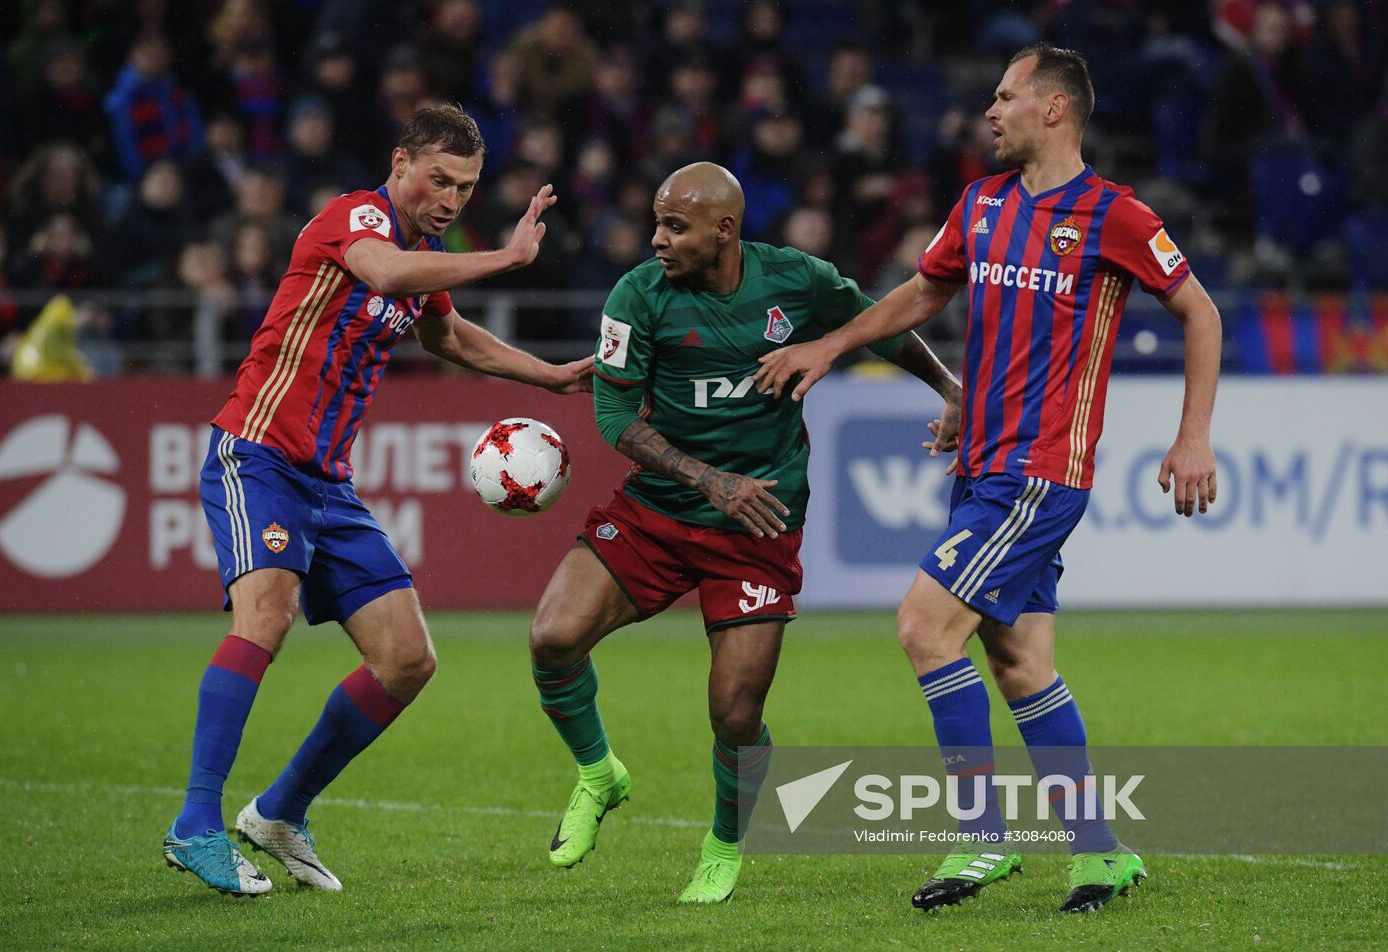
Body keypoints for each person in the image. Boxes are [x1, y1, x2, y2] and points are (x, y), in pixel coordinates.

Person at [756, 43, 1221, 915]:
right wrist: (836, 346)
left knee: (924, 629)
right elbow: (922, 295)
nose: (990, 112)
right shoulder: (982, 203)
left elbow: (1201, 309)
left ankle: (981, 836)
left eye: (1006, 97)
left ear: (1055, 109)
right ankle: (1102, 853)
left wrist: (1192, 436)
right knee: (1019, 663)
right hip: (982, 467)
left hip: (1040, 476)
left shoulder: (1114, 214)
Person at [164, 103, 593, 897]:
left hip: (329, 483)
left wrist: (553, 375)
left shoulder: (426, 254)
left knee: (407, 659)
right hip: (259, 456)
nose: (450, 198)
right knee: (264, 617)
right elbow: (388, 273)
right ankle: (196, 824)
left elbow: (452, 337)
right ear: (400, 165)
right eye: (439, 179)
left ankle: (279, 812)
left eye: (465, 187)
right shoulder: (357, 218)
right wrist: (505, 257)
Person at [527, 162, 962, 904]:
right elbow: (612, 416)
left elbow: (877, 324)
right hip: (661, 509)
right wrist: (708, 480)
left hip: (759, 521)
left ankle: (724, 843)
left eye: (676, 226)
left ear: (725, 230)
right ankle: (599, 774)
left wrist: (951, 389)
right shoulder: (637, 296)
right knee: (552, 637)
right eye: (657, 222)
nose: (656, 238)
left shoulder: (797, 280)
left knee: (735, 711)